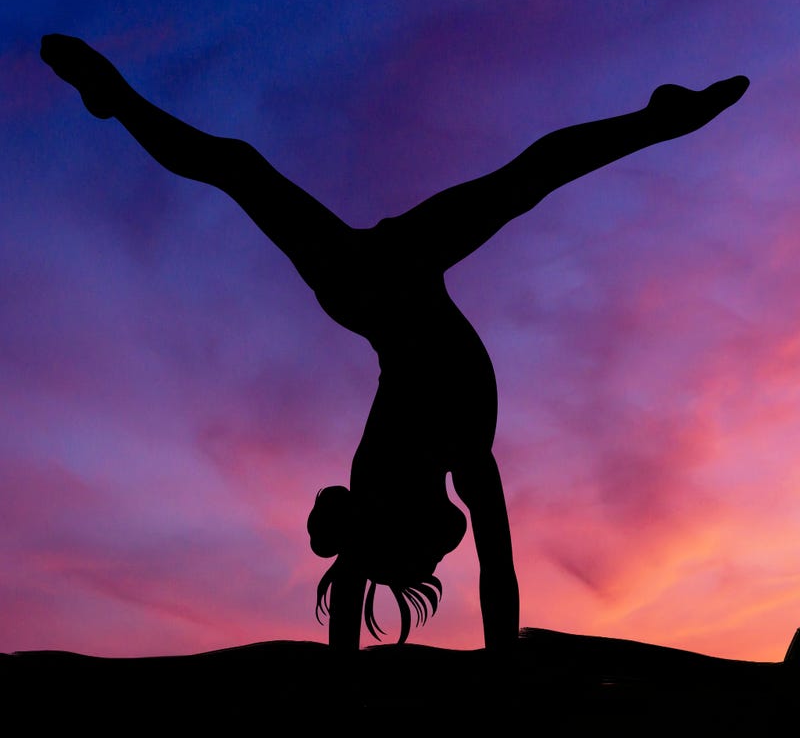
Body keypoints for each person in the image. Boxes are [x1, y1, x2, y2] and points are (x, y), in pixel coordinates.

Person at [40, 33, 748, 651]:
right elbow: (399, 571)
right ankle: (121, 103)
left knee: (517, 181)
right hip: (366, 286)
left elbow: (486, 571)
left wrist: (495, 660)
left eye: (433, 554)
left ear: (418, 521)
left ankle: (659, 119)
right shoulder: (402, 468)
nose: (448, 552)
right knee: (244, 168)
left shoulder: (448, 454)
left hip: (385, 282)